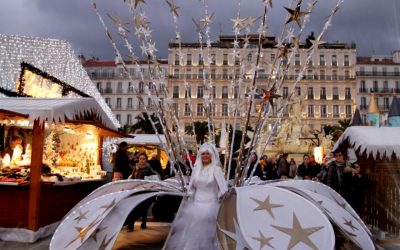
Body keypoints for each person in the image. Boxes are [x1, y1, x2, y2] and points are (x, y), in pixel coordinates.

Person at [166, 142, 227, 250]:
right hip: (195, 206)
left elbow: (223, 190)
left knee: (208, 233)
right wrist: (188, 194)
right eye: (203, 154)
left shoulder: (216, 170)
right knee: (192, 231)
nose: (205, 156)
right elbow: (192, 187)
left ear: (212, 155)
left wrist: (220, 200)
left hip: (211, 207)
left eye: (208, 154)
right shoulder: (196, 169)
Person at [125, 153, 159, 231]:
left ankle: (143, 223)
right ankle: (131, 225)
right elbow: (133, 177)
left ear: (146, 160)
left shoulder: (149, 168)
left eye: (143, 159)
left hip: (144, 191)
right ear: (138, 159)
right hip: (136, 190)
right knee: (134, 208)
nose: (142, 160)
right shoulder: (136, 167)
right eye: (140, 159)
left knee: (143, 208)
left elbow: (154, 178)